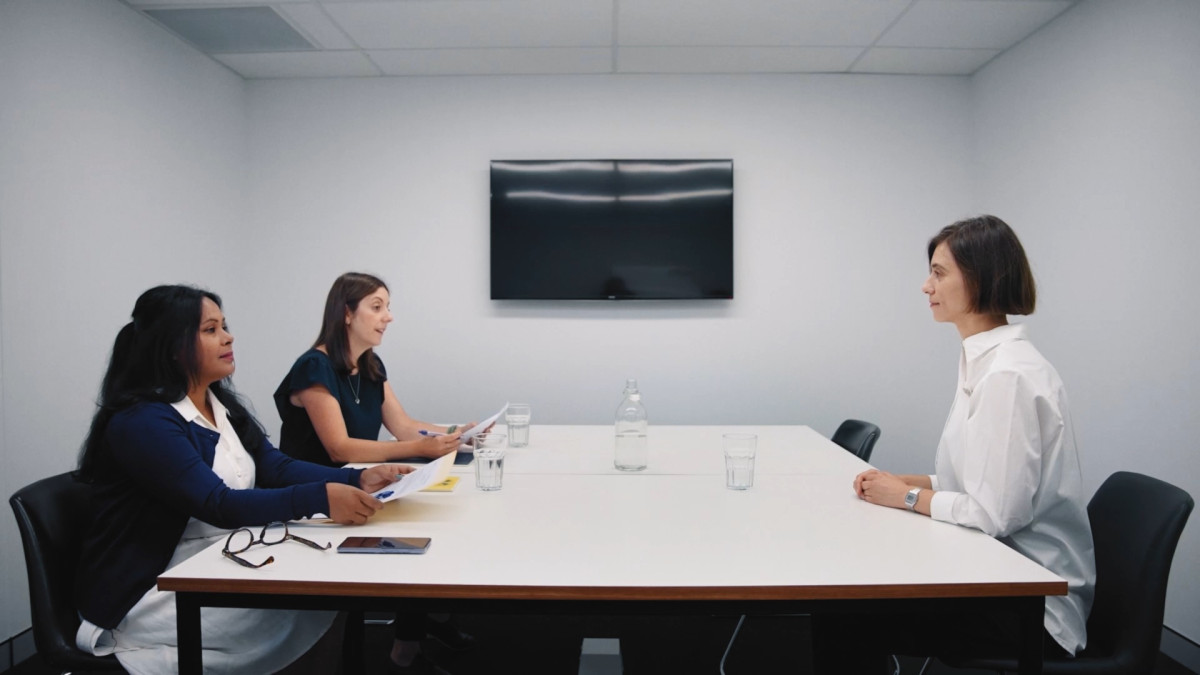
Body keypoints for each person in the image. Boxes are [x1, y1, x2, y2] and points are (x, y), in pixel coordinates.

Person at [73, 284, 411, 674]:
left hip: (217, 552)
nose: (228, 337)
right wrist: (321, 497)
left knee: (326, 586)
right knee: (309, 598)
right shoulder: (144, 421)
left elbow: (275, 468)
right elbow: (218, 504)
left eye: (224, 326)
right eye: (210, 330)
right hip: (153, 586)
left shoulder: (219, 405)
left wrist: (358, 478)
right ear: (172, 346)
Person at [814, 215, 1096, 672]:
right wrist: (907, 481)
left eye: (939, 273)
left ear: (982, 278)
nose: (926, 286)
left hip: (1033, 607)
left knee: (844, 614)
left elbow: (994, 514)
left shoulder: (1007, 374)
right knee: (851, 599)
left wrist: (906, 496)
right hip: (994, 572)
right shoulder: (985, 360)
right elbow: (979, 481)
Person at [274, 272, 476, 674]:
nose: (388, 317)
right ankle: (405, 644)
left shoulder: (369, 364)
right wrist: (419, 448)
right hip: (319, 494)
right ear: (347, 313)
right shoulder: (313, 367)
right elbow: (340, 448)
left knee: (432, 526)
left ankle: (410, 641)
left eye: (388, 307)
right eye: (377, 307)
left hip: (366, 483)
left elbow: (404, 426)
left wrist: (458, 432)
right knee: (414, 535)